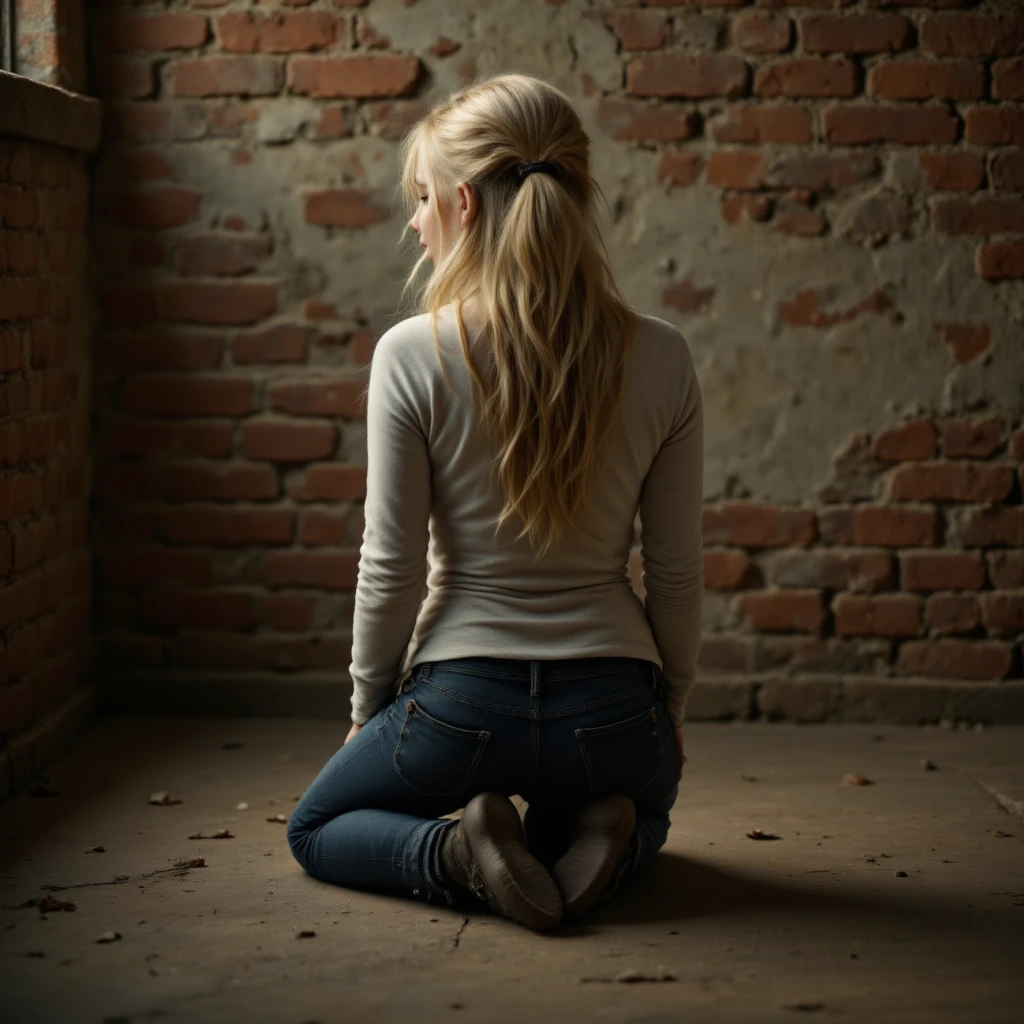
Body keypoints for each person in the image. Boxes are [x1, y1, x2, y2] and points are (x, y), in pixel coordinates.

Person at [287, 72, 703, 932]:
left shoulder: (410, 354)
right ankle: (594, 833)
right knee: (643, 810)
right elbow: (674, 568)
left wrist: (370, 716)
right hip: (615, 705)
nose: (414, 219)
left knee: (317, 827)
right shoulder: (664, 356)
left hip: (458, 706)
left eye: (423, 196)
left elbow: (391, 564)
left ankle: (456, 855)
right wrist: (669, 709)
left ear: (465, 203)